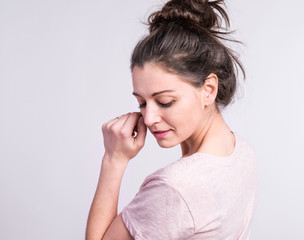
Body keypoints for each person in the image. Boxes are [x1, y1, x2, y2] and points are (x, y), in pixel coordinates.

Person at [86, 0, 259, 239]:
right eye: (142, 103)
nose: (148, 118)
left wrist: (113, 160)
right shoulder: (242, 153)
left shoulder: (175, 187)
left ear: (208, 89)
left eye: (165, 101)